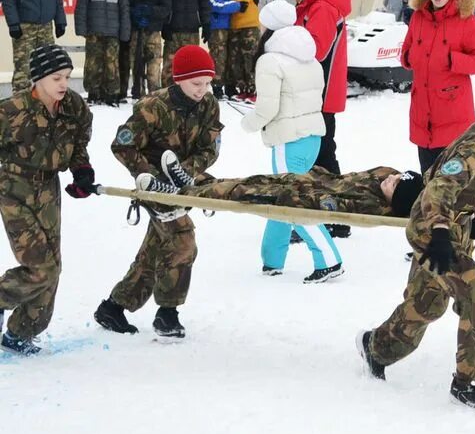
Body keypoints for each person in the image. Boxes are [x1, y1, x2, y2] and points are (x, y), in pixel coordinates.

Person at [356, 80, 475, 409]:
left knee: (426, 304)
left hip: (455, 229)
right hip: (431, 227)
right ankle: (469, 380)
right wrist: (440, 233)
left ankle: (376, 348)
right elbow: (438, 191)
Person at [93, 45, 223, 339]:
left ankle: (114, 307)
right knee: (181, 241)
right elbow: (122, 145)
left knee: (156, 248)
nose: (202, 90)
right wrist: (147, 175)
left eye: (207, 83)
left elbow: (209, 149)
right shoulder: (152, 107)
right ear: (178, 79)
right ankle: (168, 313)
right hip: (152, 185)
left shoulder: (209, 105)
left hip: (183, 181)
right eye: (196, 83)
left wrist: (184, 171)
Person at [0, 45, 94, 356]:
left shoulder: (73, 107)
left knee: (54, 266)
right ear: (37, 79)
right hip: (14, 188)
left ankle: (19, 333)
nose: (64, 84)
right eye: (56, 77)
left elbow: (80, 138)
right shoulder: (11, 110)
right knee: (41, 268)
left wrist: (81, 169)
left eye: (67, 76)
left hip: (49, 190)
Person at [240, 0, 342, 283]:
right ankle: (272, 259)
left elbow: (267, 109)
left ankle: (330, 260)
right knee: (280, 196)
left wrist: (248, 124)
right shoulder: (308, 55)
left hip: (288, 139)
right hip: (310, 137)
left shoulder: (270, 60)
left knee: (293, 203)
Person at [401, 0, 475, 175]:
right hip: (422, 116)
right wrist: (410, 57)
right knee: (427, 182)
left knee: (452, 187)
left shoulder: (465, 19)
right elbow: (406, 51)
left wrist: (453, 60)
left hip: (453, 118)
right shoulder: (418, 17)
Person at [289, 0, 352, 238]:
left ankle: (337, 216)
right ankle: (323, 212)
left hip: (320, 95)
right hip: (312, 93)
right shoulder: (310, 7)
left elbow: (315, 50)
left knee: (323, 152)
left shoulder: (322, 9)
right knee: (315, 152)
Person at [158, 167, 425, 219]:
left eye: (395, 184)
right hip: (305, 181)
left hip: (294, 196)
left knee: (239, 192)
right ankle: (194, 184)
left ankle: (178, 198)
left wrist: (292, 194)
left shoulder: (372, 206)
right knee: (247, 179)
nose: (391, 178)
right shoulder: (380, 180)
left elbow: (328, 203)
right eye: (396, 175)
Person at [75, 0, 131, 106]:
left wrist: (125, 32)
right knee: (93, 64)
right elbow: (81, 6)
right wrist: (81, 28)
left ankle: (111, 94)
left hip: (113, 32)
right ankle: (93, 93)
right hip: (94, 30)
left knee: (112, 64)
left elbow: (124, 9)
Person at [162, 0, 211, 87]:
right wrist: (165, 25)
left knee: (191, 64)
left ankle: (188, 91)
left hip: (192, 32)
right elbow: (165, 7)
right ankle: (168, 91)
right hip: (173, 32)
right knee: (169, 65)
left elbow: (205, 6)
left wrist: (206, 25)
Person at [200, 0, 243, 99]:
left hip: (230, 22)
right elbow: (213, 3)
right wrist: (237, 6)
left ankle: (231, 86)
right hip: (217, 24)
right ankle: (218, 86)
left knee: (232, 55)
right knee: (219, 56)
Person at [127, 0, 171, 97]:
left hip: (153, 32)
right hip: (136, 32)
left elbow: (166, 9)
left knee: (154, 65)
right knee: (136, 63)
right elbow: (127, 7)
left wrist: (150, 11)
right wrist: (135, 14)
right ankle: (138, 92)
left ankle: (155, 93)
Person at [229, 0, 261, 101]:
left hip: (249, 25)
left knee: (250, 58)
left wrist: (228, 5)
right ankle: (243, 89)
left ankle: (253, 90)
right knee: (237, 59)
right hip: (236, 24)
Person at [115, 0, 132, 101]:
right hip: (113, 30)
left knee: (124, 63)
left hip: (127, 31)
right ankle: (112, 90)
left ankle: (122, 91)